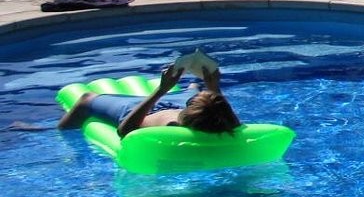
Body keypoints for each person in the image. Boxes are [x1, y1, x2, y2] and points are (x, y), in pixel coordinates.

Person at [58, 53, 240, 136]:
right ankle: (193, 91)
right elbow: (222, 111)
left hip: (146, 111)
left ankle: (57, 131)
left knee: (85, 99)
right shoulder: (226, 121)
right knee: (194, 89)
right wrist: (213, 86)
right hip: (182, 102)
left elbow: (125, 130)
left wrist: (161, 90)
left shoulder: (172, 128)